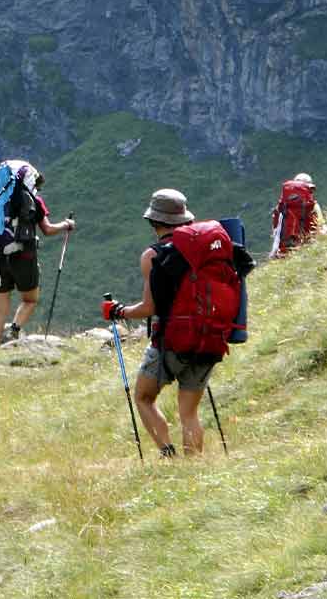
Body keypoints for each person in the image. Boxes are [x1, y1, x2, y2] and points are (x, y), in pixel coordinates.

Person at [101, 189, 251, 457]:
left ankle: (168, 455)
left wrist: (119, 311)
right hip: (211, 338)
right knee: (189, 413)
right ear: (183, 219)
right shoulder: (206, 249)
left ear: (154, 222)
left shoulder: (152, 256)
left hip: (172, 341)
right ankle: (192, 468)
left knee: (144, 397)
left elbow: (149, 308)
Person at [0, 161, 76, 347]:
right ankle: (14, 331)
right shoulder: (33, 200)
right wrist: (66, 225)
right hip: (24, 256)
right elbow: (47, 229)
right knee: (30, 299)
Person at [270, 173, 327, 259]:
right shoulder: (313, 206)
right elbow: (320, 227)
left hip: (283, 252)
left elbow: (275, 230)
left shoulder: (281, 207)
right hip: (307, 248)